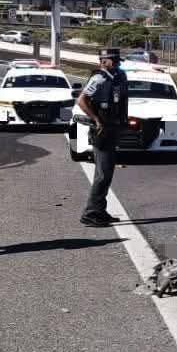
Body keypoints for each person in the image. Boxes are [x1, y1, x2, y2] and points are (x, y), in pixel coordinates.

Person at [75, 47, 129, 227]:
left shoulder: (119, 76)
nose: (115, 63)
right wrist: (96, 119)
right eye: (111, 60)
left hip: (112, 129)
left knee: (107, 173)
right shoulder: (98, 78)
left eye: (116, 60)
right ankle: (90, 213)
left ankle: (100, 210)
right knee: (103, 174)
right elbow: (82, 101)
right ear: (103, 61)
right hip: (102, 131)